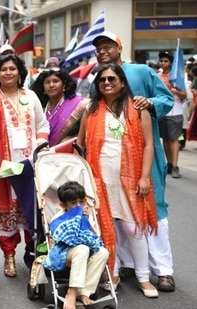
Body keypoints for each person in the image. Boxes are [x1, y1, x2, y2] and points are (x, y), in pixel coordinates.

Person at [92, 31, 176, 293]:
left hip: (143, 157)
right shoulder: (99, 78)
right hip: (109, 161)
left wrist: (149, 102)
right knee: (118, 213)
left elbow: (167, 99)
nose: (103, 51)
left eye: (108, 46)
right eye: (99, 48)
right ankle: (127, 263)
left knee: (154, 208)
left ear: (119, 47)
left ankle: (163, 270)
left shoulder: (141, 71)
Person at [76, 63, 158, 298]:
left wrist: (144, 177)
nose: (107, 83)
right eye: (102, 80)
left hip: (130, 179)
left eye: (112, 79)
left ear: (122, 82)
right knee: (103, 228)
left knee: (133, 228)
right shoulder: (91, 109)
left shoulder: (138, 108)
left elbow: (149, 145)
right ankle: (111, 272)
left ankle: (143, 277)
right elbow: (79, 145)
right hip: (99, 178)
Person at [0, 53, 49, 278]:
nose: (8, 72)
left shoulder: (31, 96)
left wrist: (41, 147)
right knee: (6, 211)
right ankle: (8, 257)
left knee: (31, 210)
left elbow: (42, 124)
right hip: (4, 165)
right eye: (4, 69)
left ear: (19, 73)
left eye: (12, 69)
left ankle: (32, 253)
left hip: (30, 165)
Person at [43, 181, 108, 309]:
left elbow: (94, 236)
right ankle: (71, 293)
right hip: (65, 251)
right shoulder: (60, 218)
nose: (79, 206)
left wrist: (88, 220)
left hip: (86, 248)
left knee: (103, 252)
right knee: (82, 249)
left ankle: (83, 292)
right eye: (73, 203)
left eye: (81, 202)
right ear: (64, 205)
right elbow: (61, 236)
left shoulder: (86, 215)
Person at [30, 68, 89, 147]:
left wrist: (72, 138)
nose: (51, 85)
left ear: (64, 85)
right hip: (41, 153)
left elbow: (88, 133)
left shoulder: (79, 104)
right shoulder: (39, 105)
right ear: (43, 87)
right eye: (47, 82)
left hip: (70, 153)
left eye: (55, 81)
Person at [157, 50, 187, 178]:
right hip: (162, 111)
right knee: (166, 139)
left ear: (171, 63)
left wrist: (175, 91)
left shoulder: (177, 77)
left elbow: (185, 95)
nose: (163, 63)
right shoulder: (158, 76)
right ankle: (169, 163)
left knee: (174, 139)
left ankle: (175, 166)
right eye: (161, 61)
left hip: (175, 111)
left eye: (166, 61)